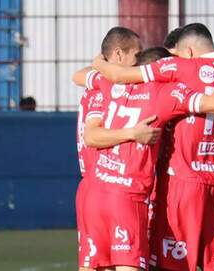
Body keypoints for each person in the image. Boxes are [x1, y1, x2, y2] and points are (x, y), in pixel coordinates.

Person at [91, 23, 214, 271]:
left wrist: (98, 63)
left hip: (182, 184)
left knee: (173, 264)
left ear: (190, 52)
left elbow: (119, 75)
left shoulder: (180, 67)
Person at [73, 27, 162, 271]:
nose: (140, 62)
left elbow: (78, 75)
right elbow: (92, 136)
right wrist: (133, 133)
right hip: (109, 186)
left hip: (100, 189)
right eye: (137, 55)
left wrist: (99, 65)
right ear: (119, 55)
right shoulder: (106, 90)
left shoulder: (103, 82)